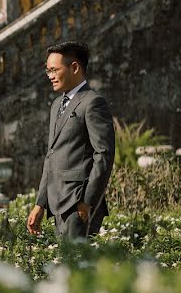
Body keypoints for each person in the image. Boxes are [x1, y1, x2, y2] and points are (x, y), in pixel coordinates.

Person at [26, 41, 115, 240]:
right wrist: (40, 204)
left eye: (54, 70)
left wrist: (87, 202)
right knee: (66, 269)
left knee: (76, 267)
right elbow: (51, 156)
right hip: (57, 204)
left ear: (74, 67)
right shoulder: (56, 104)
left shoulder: (93, 102)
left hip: (78, 204)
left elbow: (104, 155)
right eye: (47, 70)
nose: (50, 76)